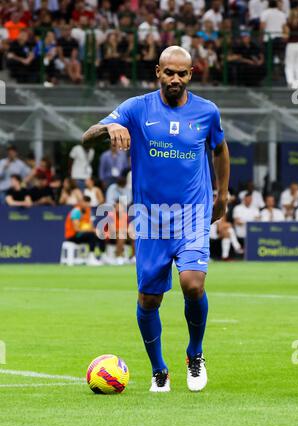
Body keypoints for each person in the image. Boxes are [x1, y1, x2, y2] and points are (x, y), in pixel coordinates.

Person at [82, 46, 230, 393]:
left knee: (193, 284)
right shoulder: (136, 108)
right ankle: (159, 369)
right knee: (149, 299)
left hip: (192, 214)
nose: (175, 79)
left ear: (191, 73)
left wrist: (222, 194)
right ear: (157, 72)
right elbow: (87, 135)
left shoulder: (207, 112)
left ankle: (195, 354)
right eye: (169, 73)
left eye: (182, 73)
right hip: (151, 219)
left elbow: (220, 149)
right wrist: (109, 129)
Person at [64, 195, 104, 266]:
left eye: (88, 203)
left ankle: (103, 256)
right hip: (72, 235)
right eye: (85, 202)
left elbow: (91, 226)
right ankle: (91, 258)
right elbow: (76, 229)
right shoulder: (76, 211)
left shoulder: (88, 211)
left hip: (83, 235)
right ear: (81, 202)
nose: (87, 204)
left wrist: (95, 230)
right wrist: (91, 231)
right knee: (91, 235)